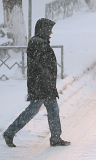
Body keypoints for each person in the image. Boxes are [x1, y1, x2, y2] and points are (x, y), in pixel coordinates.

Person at [3, 18, 70, 147]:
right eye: (49, 29)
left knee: (48, 110)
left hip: (43, 84)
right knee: (37, 110)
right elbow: (40, 66)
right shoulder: (37, 43)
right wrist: (46, 81)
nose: (51, 32)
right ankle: (10, 132)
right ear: (43, 29)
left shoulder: (40, 42)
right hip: (41, 84)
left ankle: (55, 138)